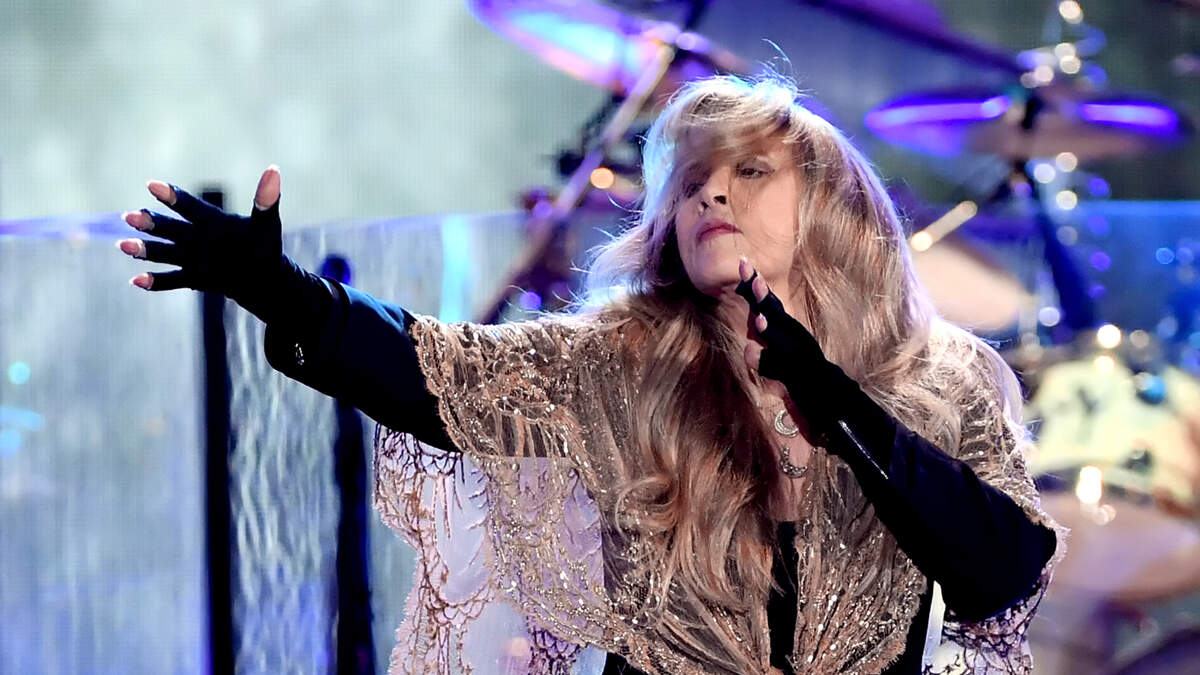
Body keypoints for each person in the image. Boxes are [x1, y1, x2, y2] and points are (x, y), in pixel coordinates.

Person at [117, 75, 1064, 674]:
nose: (711, 191)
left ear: (833, 205)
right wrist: (281, 291)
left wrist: (834, 400)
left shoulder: (943, 378)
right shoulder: (621, 356)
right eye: (690, 182)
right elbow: (431, 369)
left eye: (748, 171)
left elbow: (1003, 570)